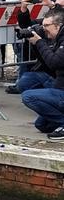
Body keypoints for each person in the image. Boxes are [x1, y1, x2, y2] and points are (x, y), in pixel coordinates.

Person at [19, 8, 64, 139]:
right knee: (42, 125)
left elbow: (54, 62)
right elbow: (49, 67)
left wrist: (40, 42)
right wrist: (36, 45)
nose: (43, 29)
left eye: (46, 26)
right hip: (59, 87)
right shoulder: (58, 38)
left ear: (58, 26)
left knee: (28, 96)